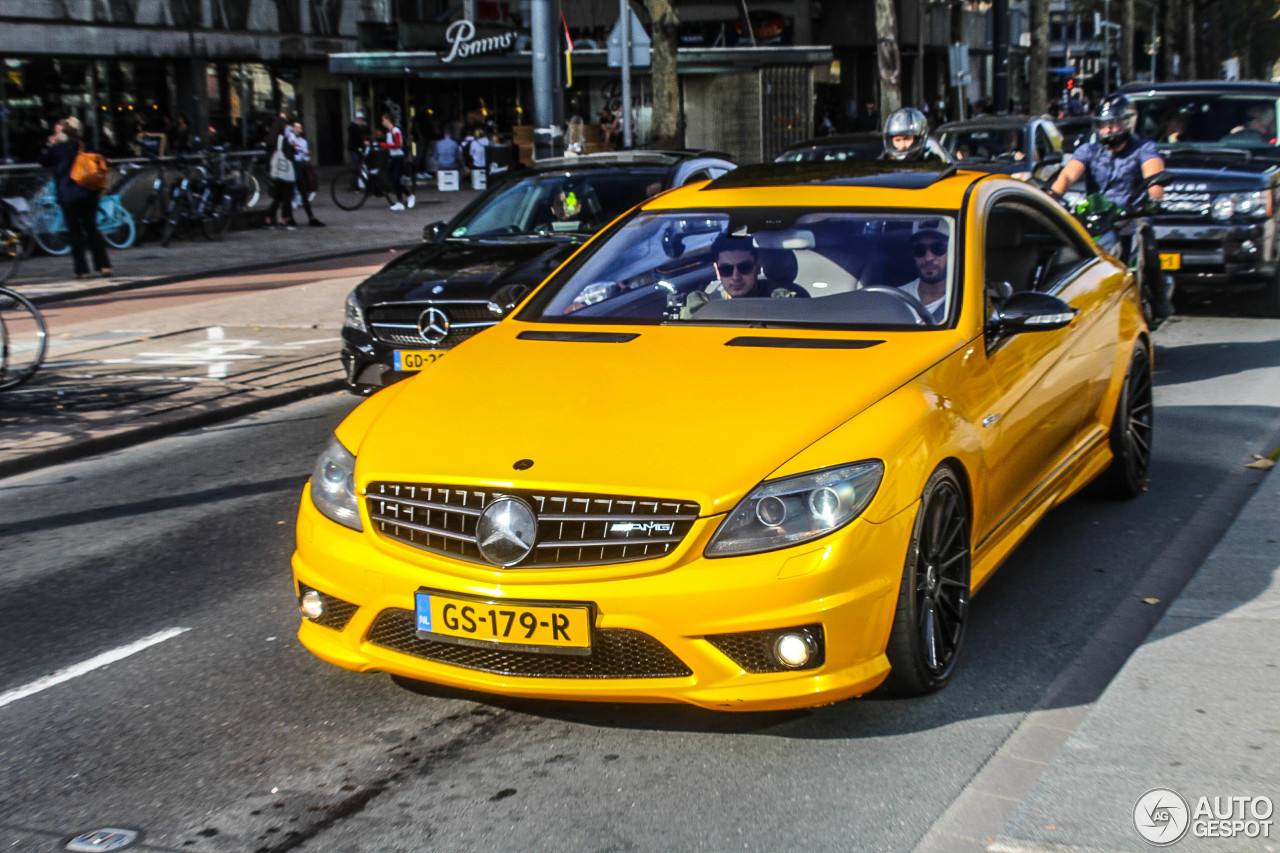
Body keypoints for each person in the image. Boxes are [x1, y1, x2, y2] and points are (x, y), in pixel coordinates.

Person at [1051, 95, 1173, 320]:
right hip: (1098, 218)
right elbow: (1068, 174)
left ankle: (1159, 298)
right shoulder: (1088, 150)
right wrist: (1053, 195)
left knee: (1147, 241)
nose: (1107, 130)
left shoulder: (1144, 148)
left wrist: (1153, 198)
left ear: (1127, 123)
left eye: (1113, 125)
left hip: (1131, 216)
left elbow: (1154, 176)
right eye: (1102, 125)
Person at [40, 116, 111, 279]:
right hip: (88, 193)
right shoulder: (87, 146)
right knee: (92, 229)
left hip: (68, 196)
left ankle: (81, 269)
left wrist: (49, 145)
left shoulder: (57, 150)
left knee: (75, 232)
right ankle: (104, 265)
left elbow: (43, 161)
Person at [707, 234, 807, 299]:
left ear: (758, 267)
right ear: (717, 271)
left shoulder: (787, 301)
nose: (736, 277)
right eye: (726, 270)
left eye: (744, 268)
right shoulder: (705, 307)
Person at [901, 219, 950, 322]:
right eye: (920, 249)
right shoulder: (894, 299)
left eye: (938, 248)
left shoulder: (967, 303)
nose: (928, 257)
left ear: (953, 249)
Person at [264, 116, 298, 230]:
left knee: (278, 197)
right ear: (283, 126)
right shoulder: (282, 138)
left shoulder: (271, 138)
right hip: (286, 172)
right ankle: (285, 220)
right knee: (287, 197)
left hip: (276, 171)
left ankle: (268, 218)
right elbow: (289, 153)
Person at [287, 121, 323, 226]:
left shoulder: (303, 141)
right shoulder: (289, 138)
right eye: (296, 128)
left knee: (302, 191)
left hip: (299, 166)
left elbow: (306, 157)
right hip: (291, 166)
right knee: (290, 193)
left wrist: (307, 155)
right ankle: (290, 217)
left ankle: (310, 217)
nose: (299, 130)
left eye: (300, 128)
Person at [880, 108, 947, 162]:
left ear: (918, 139)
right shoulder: (883, 163)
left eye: (907, 139)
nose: (902, 145)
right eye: (897, 140)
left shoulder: (932, 161)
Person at [378, 111, 413, 210]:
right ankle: (403, 199)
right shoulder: (389, 132)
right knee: (393, 180)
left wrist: (385, 145)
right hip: (393, 158)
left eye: (383, 119)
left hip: (398, 158)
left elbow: (398, 144)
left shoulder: (395, 130)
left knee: (395, 179)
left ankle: (404, 199)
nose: (382, 121)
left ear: (388, 120)